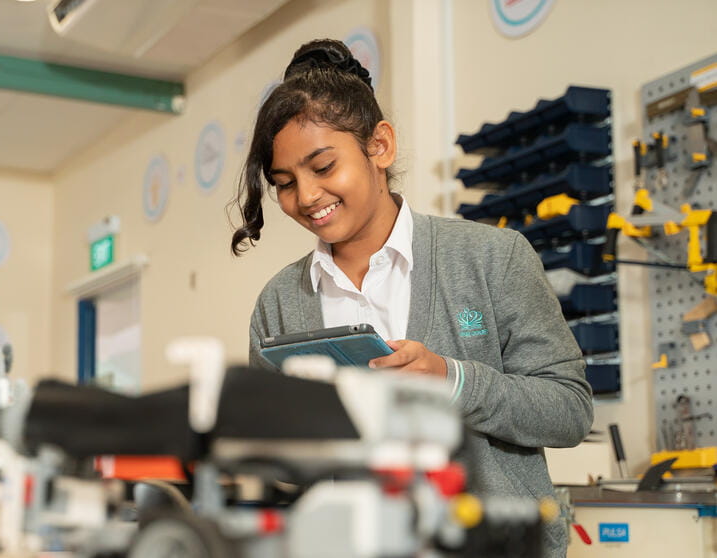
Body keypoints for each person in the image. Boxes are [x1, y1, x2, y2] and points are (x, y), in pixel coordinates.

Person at [230, 38, 593, 557]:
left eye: (324, 167)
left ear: (380, 146)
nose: (306, 197)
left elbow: (570, 410)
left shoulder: (493, 258)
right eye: (285, 183)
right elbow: (266, 464)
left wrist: (453, 380)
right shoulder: (279, 304)